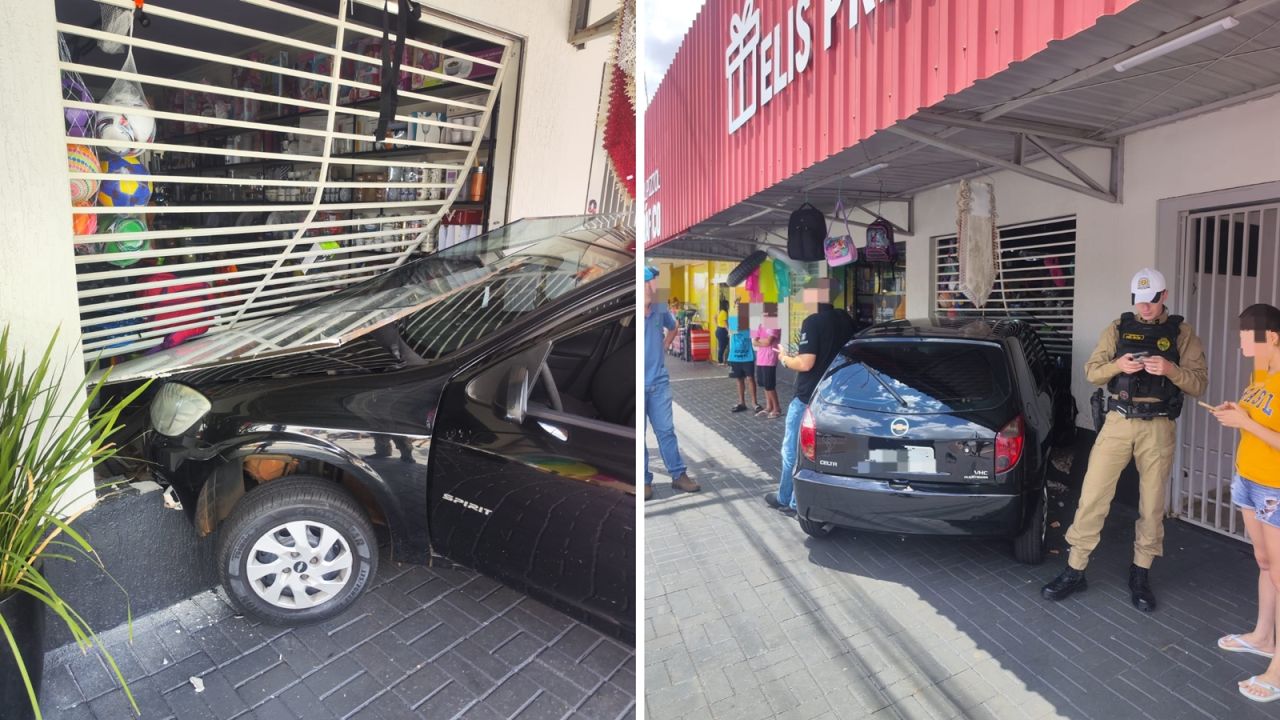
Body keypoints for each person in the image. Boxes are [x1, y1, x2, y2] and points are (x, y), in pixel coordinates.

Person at [1042, 268, 1208, 611]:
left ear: (1164, 296)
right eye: (1139, 300)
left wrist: (1171, 370)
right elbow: (1091, 372)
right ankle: (1075, 569)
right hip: (1118, 420)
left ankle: (1141, 571)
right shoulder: (1118, 328)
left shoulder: (1182, 333)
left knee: (1152, 504)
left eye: (1151, 301)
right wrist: (1118, 365)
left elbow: (1199, 384)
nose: (1144, 307)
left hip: (1158, 425)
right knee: (1092, 496)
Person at [1208, 304, 1280, 702]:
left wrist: (1246, 422)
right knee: (1265, 563)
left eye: (1245, 335)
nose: (1240, 342)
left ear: (1272, 337)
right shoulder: (1260, 374)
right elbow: (1260, 421)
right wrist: (1238, 412)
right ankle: (1264, 637)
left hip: (1274, 487)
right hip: (1248, 481)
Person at [766, 281, 854, 513]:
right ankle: (802, 499)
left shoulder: (813, 322)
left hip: (808, 398)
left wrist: (785, 359)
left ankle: (789, 500)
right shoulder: (845, 319)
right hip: (834, 397)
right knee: (823, 452)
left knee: (792, 450)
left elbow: (806, 363)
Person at [644, 266, 699, 500]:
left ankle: (678, 475)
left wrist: (665, 345)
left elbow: (674, 326)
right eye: (652, 281)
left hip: (659, 382)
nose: (657, 286)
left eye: (656, 281)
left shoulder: (659, 307)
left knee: (666, 431)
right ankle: (643, 480)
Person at [726, 310, 760, 413]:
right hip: (735, 357)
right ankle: (742, 403)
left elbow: (753, 333)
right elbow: (730, 331)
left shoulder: (748, 323)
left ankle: (754, 403)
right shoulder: (733, 321)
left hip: (747, 356)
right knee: (739, 379)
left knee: (750, 378)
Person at [753, 321, 781, 418]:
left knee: (769, 385)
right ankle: (769, 407)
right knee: (764, 383)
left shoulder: (774, 324)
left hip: (769, 358)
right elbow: (754, 342)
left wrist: (759, 341)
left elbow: (768, 342)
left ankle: (777, 408)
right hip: (760, 358)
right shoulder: (760, 325)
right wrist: (762, 342)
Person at [715, 299, 730, 366]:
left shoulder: (720, 312)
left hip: (719, 330)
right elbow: (725, 324)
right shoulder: (724, 312)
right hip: (722, 331)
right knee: (723, 347)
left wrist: (717, 325)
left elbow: (714, 317)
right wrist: (729, 332)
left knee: (722, 346)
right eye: (727, 304)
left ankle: (721, 361)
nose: (728, 306)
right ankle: (720, 361)